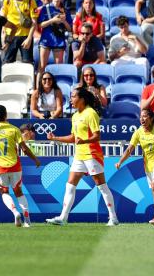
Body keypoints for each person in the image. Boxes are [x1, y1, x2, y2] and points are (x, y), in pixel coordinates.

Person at [45, 88, 119, 226]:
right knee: (70, 185)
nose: (71, 99)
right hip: (79, 155)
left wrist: (84, 141)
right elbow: (74, 137)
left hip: (92, 154)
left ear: (82, 99)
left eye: (73, 96)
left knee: (102, 186)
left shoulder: (91, 114)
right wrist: (56, 138)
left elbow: (97, 136)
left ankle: (113, 217)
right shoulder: (75, 116)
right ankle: (63, 217)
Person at [0, 105, 41, 228]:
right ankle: (27, 221)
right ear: (6, 115)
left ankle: (15, 212)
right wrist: (35, 159)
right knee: (19, 192)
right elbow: (24, 149)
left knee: (4, 192)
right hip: (14, 166)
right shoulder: (14, 129)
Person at [37, 0, 72, 80]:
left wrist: (64, 21)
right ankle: (38, 90)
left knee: (58, 69)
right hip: (46, 40)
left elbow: (70, 28)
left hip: (58, 40)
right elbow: (40, 25)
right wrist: (52, 20)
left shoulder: (65, 10)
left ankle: (56, 90)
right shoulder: (45, 8)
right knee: (41, 67)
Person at [0, 0, 39, 64]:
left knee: (28, 63)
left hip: (25, 36)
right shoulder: (8, 0)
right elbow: (3, 18)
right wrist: (4, 34)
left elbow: (34, 22)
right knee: (7, 62)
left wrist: (29, 39)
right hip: (10, 35)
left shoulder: (31, 1)